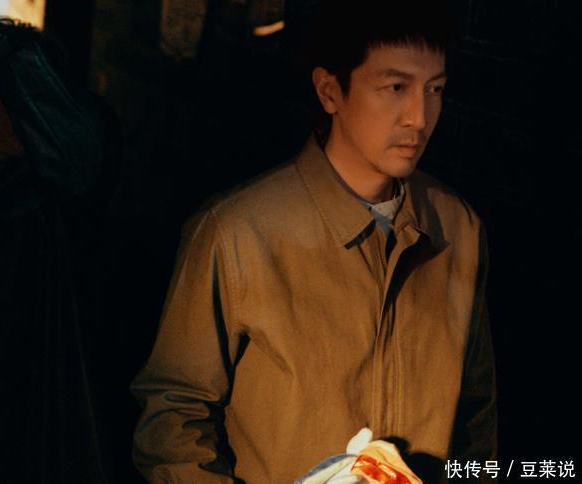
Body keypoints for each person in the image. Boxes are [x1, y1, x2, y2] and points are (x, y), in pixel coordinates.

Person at [131, 1, 497, 482]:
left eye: (435, 90)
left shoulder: (458, 228)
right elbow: (174, 418)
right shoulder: (239, 231)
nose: (419, 116)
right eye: (396, 87)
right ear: (330, 90)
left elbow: (476, 414)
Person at [0, 2, 119, 482]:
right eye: (14, 101)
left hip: (4, 430)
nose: (30, 124)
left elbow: (80, 154)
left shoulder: (44, 203)